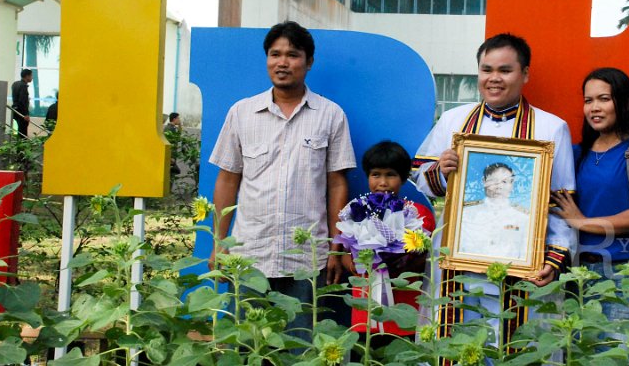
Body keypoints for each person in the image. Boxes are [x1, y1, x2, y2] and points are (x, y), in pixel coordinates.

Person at [413, 32, 576, 347]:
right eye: (486, 70)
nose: (494, 78)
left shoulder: (551, 128)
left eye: (505, 70)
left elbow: (560, 205)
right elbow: (420, 182)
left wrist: (553, 259)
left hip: (520, 265)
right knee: (453, 346)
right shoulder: (452, 121)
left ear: (525, 74)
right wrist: (440, 171)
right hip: (457, 264)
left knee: (511, 347)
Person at [208, 21, 356, 332]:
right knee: (247, 347)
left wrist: (334, 246)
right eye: (275, 54)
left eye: (292, 55)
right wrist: (219, 245)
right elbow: (227, 180)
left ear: (309, 62)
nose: (282, 63)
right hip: (249, 256)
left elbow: (337, 184)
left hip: (306, 260)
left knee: (301, 350)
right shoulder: (241, 113)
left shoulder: (331, 115)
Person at [553, 67, 629, 338]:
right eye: (588, 100)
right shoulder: (577, 154)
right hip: (577, 275)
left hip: (625, 276)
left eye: (604, 99)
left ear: (625, 102)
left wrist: (582, 222)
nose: (594, 107)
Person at [340, 141, 435, 341]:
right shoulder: (355, 211)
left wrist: (397, 261)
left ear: (403, 178)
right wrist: (361, 262)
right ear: (367, 177)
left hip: (405, 312)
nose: (382, 182)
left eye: (390, 175)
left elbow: (424, 260)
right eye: (376, 174)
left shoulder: (418, 214)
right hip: (365, 313)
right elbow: (345, 255)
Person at [459, 163, 530, 260]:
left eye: (504, 182)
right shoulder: (466, 214)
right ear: (484, 181)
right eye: (494, 181)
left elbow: (525, 255)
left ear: (512, 184)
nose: (499, 187)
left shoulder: (523, 219)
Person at [11, 69, 33, 137]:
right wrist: (26, 114)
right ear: (27, 76)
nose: (32, 77)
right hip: (21, 113)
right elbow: (22, 101)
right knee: (23, 133)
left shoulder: (15, 84)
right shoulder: (23, 86)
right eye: (31, 76)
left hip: (15, 110)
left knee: (18, 131)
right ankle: (22, 147)